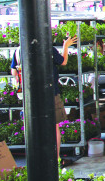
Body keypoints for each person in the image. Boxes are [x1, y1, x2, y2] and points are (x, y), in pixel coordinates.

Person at [10, 33, 77, 162]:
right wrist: (66, 46)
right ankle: (55, 159)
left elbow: (14, 72)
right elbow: (63, 61)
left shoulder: (19, 51)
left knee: (33, 126)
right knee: (54, 126)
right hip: (50, 93)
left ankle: (37, 158)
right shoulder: (47, 48)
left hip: (30, 96)